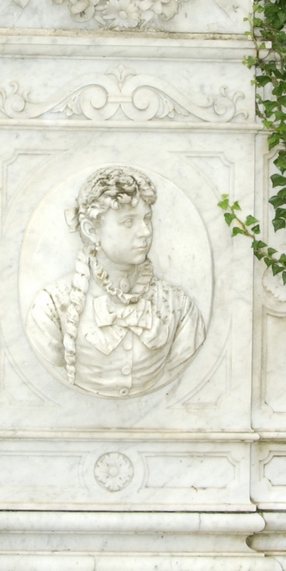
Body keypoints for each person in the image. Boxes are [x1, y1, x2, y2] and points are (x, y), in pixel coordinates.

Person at [26, 166, 206, 398]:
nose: (145, 232)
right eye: (128, 222)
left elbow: (183, 381)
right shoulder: (51, 305)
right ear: (91, 230)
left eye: (147, 219)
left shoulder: (179, 306)